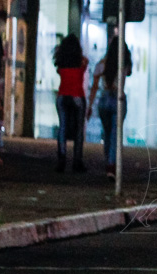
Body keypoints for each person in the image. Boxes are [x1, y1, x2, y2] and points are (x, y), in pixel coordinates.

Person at [87, 36, 132, 180]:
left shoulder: (101, 64)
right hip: (119, 99)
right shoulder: (124, 64)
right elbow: (129, 73)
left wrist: (90, 105)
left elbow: (94, 87)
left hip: (104, 99)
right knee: (114, 134)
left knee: (107, 133)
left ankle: (109, 162)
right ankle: (111, 165)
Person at [53, 34, 89, 172]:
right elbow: (85, 63)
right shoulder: (82, 62)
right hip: (77, 96)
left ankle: (61, 159)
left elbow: (58, 71)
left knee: (62, 127)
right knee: (79, 129)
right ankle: (77, 161)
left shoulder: (61, 62)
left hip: (62, 96)